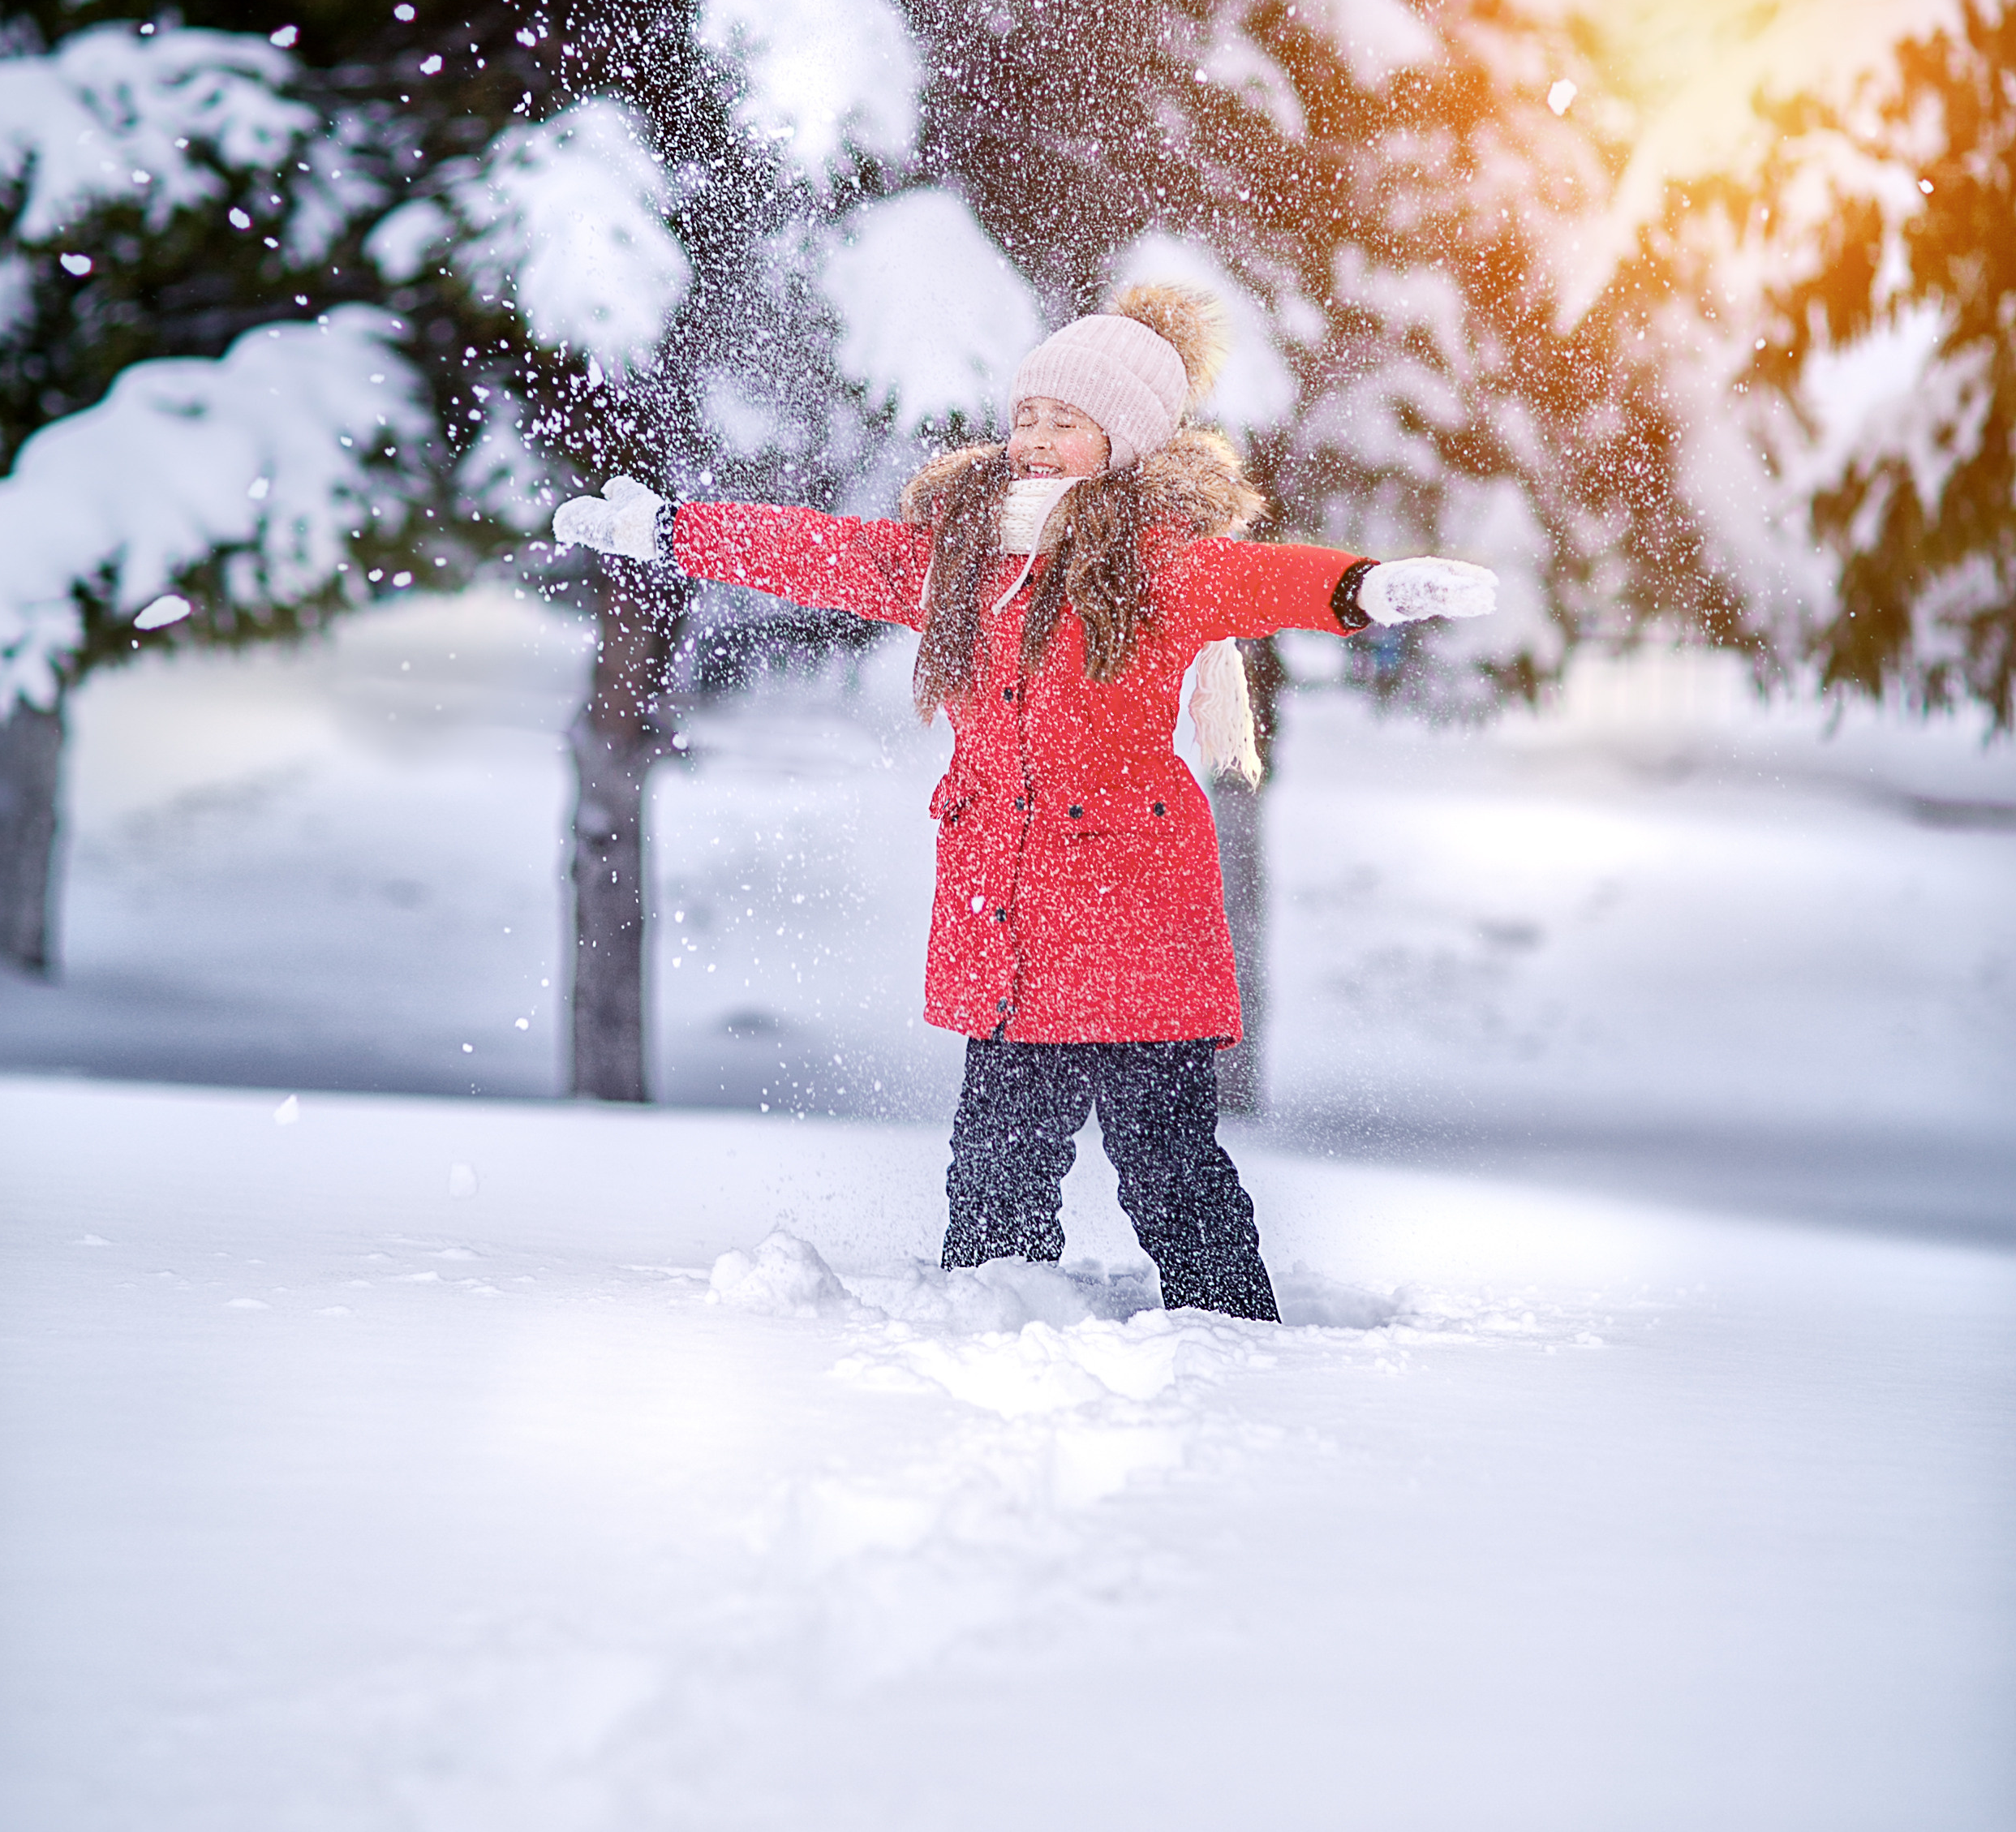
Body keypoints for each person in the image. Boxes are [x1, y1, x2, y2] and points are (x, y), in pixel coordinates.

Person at [553, 283, 1494, 1322]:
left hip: (1136, 926)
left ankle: (1239, 1348)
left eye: (1067, 422)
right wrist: (676, 534)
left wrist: (1366, 587)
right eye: (1027, 417)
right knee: (994, 1177)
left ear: (1124, 442)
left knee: (1170, 1171)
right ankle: (990, 1334)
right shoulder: (957, 559)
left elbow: (1264, 579)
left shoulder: (1157, 567)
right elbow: (818, 554)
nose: (1036, 439)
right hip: (1010, 933)